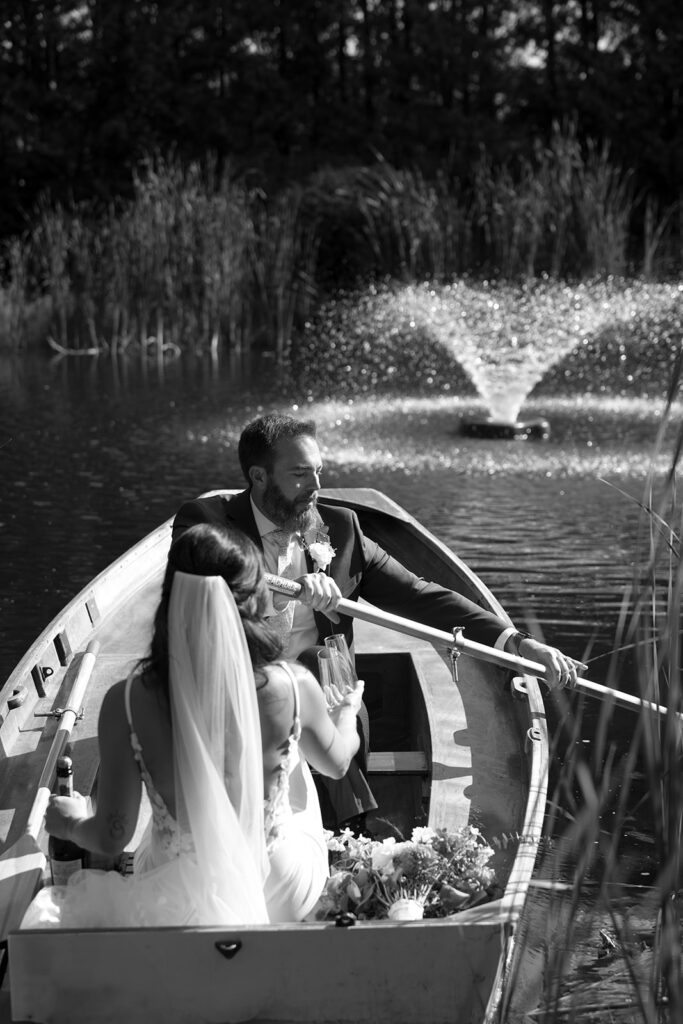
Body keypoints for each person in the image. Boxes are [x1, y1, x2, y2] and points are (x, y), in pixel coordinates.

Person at [173, 412, 584, 828]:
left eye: (318, 471)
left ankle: (350, 833)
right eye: (299, 474)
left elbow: (421, 596)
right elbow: (195, 586)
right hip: (237, 686)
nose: (315, 487)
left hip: (326, 691)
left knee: (322, 669)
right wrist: (288, 587)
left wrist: (518, 643)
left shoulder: (340, 528)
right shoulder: (207, 522)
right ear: (259, 477)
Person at [21, 523, 362, 929]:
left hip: (177, 901)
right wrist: (346, 713)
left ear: (171, 598)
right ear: (254, 602)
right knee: (296, 760)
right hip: (279, 891)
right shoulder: (293, 686)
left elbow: (112, 835)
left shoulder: (126, 701)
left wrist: (70, 821)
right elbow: (337, 764)